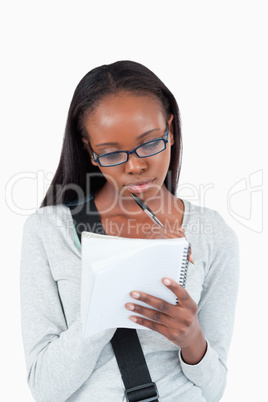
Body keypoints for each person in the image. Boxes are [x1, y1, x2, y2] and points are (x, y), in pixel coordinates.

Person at [20, 60, 239, 402]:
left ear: (171, 129)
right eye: (111, 153)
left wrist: (192, 339)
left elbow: (214, 390)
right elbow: (44, 389)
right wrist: (117, 288)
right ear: (91, 152)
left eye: (150, 143)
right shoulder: (47, 231)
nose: (135, 166)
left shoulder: (211, 233)